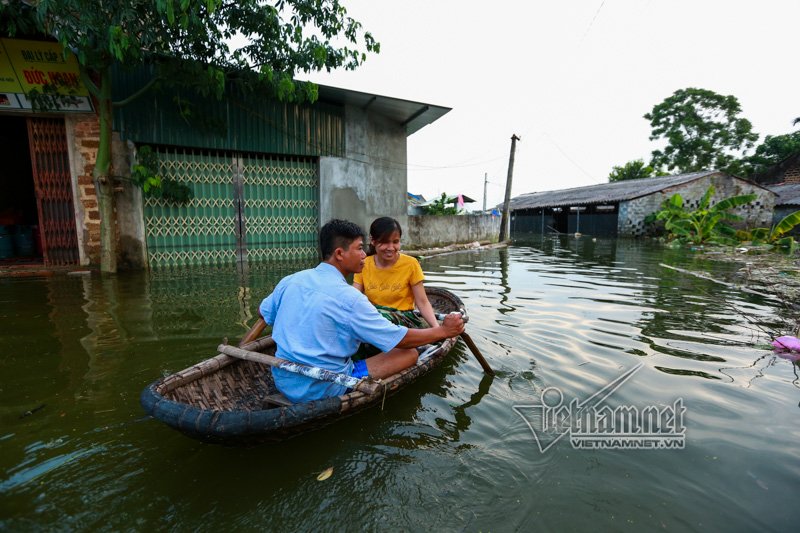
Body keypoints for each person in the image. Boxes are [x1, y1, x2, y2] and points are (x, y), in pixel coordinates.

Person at [259, 219, 464, 404]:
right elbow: (400, 340)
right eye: (359, 248)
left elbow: (264, 315)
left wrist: (241, 349)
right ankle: (351, 373)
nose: (364, 254)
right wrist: (443, 332)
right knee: (409, 355)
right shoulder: (351, 298)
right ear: (340, 254)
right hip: (325, 386)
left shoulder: (291, 280)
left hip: (284, 380)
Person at [353, 217, 439, 328]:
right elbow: (354, 297)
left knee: (377, 319)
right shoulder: (364, 264)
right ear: (373, 241)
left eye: (395, 242)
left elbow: (422, 302)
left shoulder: (410, 264)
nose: (391, 248)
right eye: (385, 242)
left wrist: (437, 329)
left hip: (404, 319)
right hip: (373, 319)